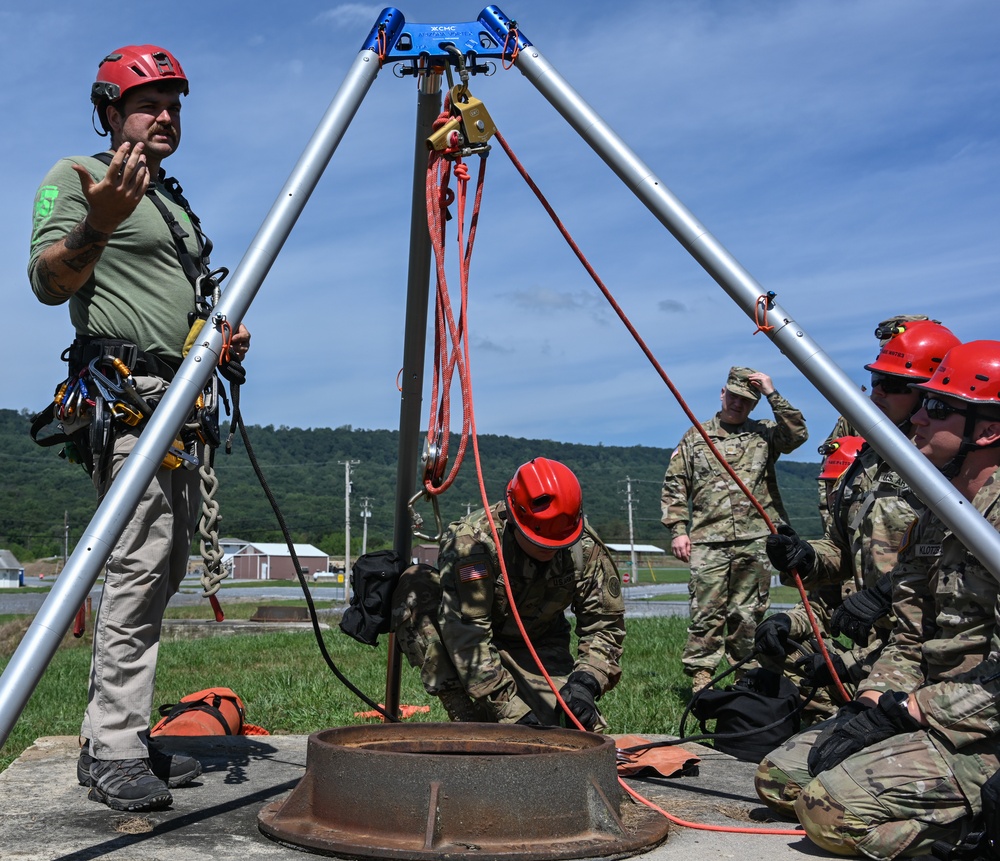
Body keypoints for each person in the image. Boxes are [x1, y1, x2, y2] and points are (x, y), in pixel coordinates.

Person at [29, 45, 249, 811]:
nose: (166, 115)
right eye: (149, 103)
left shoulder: (172, 200)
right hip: (128, 402)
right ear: (110, 112)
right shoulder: (81, 179)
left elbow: (172, 298)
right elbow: (47, 281)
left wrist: (215, 336)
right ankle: (117, 745)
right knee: (136, 564)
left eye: (174, 105)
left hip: (178, 402)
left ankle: (109, 739)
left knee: (160, 567)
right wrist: (99, 220)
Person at [754, 340, 1000, 859]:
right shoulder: (942, 511)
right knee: (782, 780)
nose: (919, 419)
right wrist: (870, 705)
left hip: (982, 722)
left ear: (988, 430)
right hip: (931, 705)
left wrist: (912, 710)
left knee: (829, 813)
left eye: (937, 407)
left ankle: (979, 827)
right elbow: (911, 637)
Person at [759, 321, 962, 713]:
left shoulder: (953, 465)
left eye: (895, 384)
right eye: (877, 380)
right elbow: (842, 549)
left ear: (930, 393)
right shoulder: (867, 458)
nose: (877, 392)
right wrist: (805, 556)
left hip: (930, 646)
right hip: (876, 641)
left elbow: (959, 561)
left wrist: (885, 594)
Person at [392, 457, 625, 730]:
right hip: (468, 643)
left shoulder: (584, 546)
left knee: (567, 732)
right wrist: (509, 709)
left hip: (537, 644)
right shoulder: (474, 544)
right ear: (514, 519)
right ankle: (465, 712)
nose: (549, 552)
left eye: (556, 545)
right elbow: (468, 634)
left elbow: (605, 626)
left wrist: (586, 682)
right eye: (539, 543)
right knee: (416, 586)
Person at [660, 366, 808, 693]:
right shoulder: (696, 437)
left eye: (747, 400)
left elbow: (797, 435)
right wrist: (678, 529)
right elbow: (674, 484)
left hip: (755, 539)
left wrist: (772, 393)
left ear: (754, 405)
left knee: (748, 615)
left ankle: (746, 676)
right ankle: (702, 680)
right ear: (722, 393)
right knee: (706, 612)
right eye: (734, 396)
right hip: (707, 540)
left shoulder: (764, 434)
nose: (738, 404)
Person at [754, 436, 865, 724]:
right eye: (828, 487)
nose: (831, 497)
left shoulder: (896, 544)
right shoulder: (846, 546)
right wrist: (786, 622)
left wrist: (846, 663)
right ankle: (821, 725)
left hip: (894, 669)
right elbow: (818, 608)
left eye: (839, 488)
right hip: (861, 668)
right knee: (786, 645)